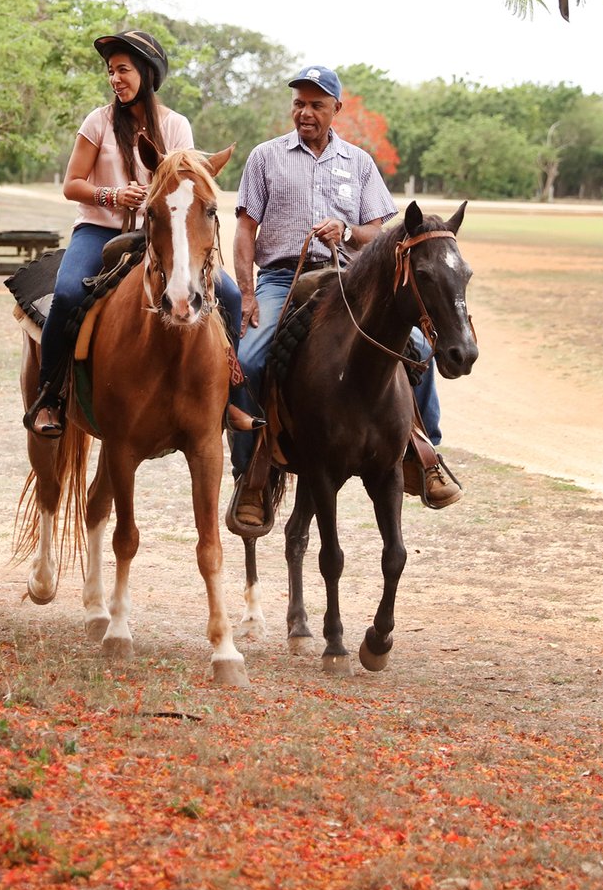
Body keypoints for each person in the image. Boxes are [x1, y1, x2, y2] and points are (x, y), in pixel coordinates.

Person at [230, 65, 460, 526]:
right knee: (250, 358)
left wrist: (346, 230)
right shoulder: (265, 157)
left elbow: (376, 231)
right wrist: (248, 294)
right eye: (299, 103)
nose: (305, 112)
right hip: (281, 277)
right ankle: (249, 475)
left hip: (350, 280)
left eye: (316, 104)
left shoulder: (358, 163)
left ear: (337, 109)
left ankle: (425, 452)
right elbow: (244, 229)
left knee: (417, 348)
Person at [24, 26, 245, 439]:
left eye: (123, 69)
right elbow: (72, 184)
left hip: (156, 234)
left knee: (230, 295)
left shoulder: (175, 126)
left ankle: (233, 398)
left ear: (147, 72)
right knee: (69, 292)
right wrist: (112, 195)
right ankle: (50, 397)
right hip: (96, 230)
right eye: (110, 71)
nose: (115, 79)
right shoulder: (99, 121)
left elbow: (186, 186)